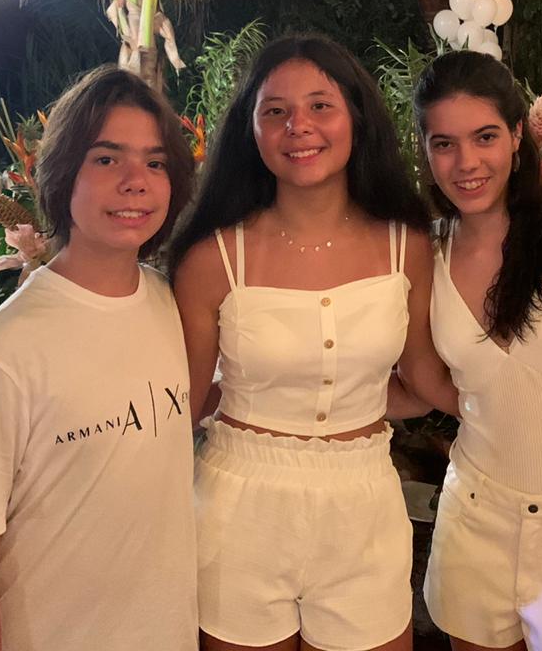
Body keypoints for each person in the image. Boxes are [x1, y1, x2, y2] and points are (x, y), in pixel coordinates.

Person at [169, 35, 458, 651]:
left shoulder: (407, 245)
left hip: (364, 503)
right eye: (275, 110)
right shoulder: (212, 257)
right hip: (239, 509)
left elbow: (421, 379)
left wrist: (515, 402)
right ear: (251, 130)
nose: (298, 126)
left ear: (356, 116)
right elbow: (183, 407)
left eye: (320, 105)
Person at [0, 65, 198, 651]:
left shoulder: (169, 303)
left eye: (155, 163)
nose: (136, 182)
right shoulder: (2, 352)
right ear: (60, 173)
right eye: (106, 159)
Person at [408, 50, 542, 651]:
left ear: (515, 137)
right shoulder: (426, 252)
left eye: (484, 137)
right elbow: (421, 372)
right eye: (444, 144)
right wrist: (487, 403)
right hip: (476, 516)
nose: (466, 163)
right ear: (425, 151)